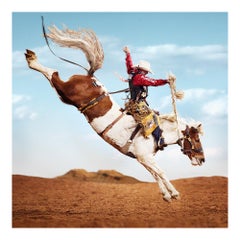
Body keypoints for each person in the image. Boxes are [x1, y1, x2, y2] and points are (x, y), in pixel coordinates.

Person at [123, 46, 169, 150]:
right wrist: (166, 81)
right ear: (142, 70)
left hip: (133, 103)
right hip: (138, 104)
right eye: (146, 71)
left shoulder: (132, 73)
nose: (147, 73)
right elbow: (154, 82)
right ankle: (159, 140)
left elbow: (129, 65)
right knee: (155, 118)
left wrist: (128, 54)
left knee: (154, 115)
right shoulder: (140, 78)